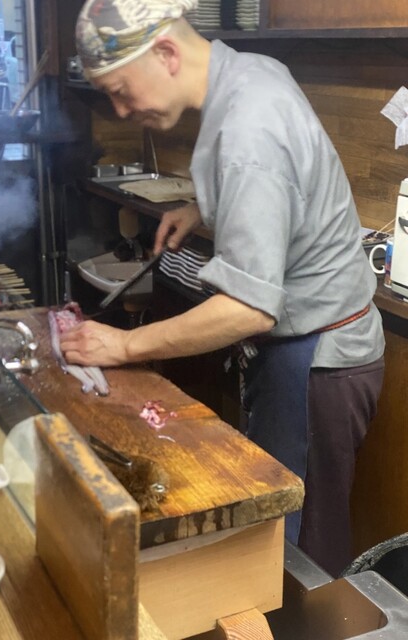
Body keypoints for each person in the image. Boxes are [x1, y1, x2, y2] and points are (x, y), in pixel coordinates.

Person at [61, 0, 385, 577]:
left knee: (294, 546)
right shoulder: (246, 72)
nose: (122, 110)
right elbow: (276, 183)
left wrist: (124, 344)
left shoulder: (247, 128)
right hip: (305, 345)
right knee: (284, 532)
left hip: (319, 361)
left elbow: (247, 309)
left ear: (166, 52)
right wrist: (203, 208)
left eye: (120, 91)